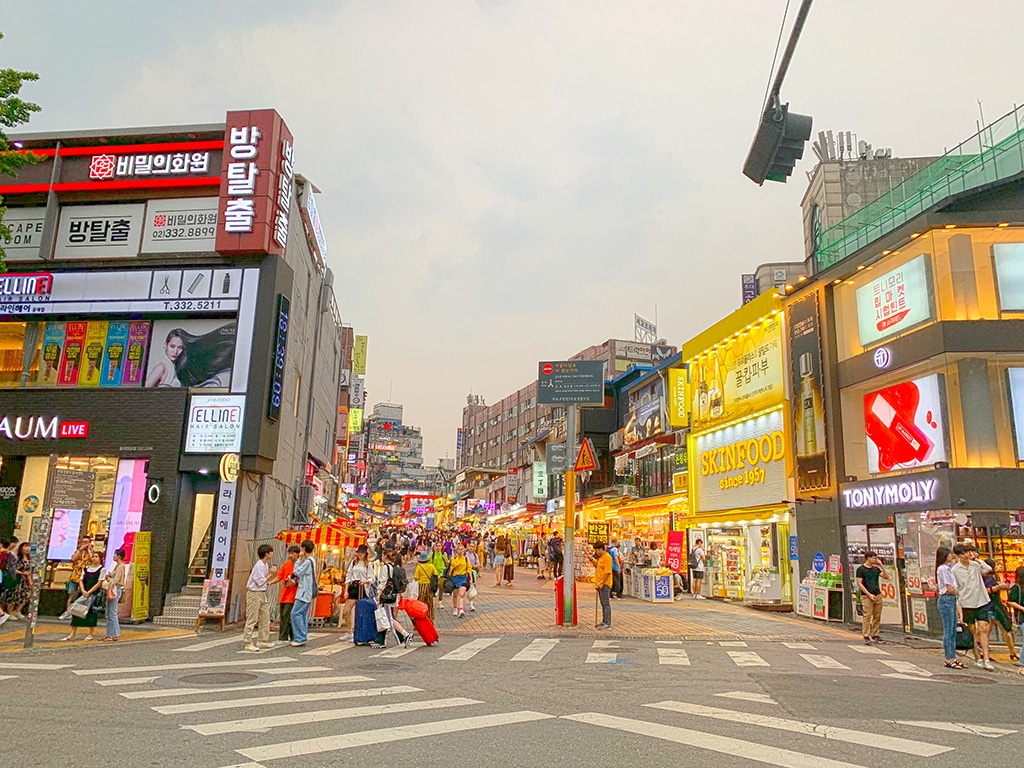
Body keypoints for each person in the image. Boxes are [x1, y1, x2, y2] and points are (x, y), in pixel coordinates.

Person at [951, 543, 995, 671]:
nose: (967, 554)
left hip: (981, 601)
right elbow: (956, 588)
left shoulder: (975, 565)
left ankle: (986, 658)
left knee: (983, 628)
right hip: (966, 603)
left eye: (968, 552)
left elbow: (987, 569)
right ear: (958, 555)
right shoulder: (955, 570)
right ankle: (977, 657)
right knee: (972, 631)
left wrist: (976, 559)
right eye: (964, 553)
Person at [62, 550, 106, 641]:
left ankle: (90, 634)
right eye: (93, 556)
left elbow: (99, 583)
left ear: (101, 559)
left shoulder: (102, 569)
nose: (94, 558)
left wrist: (89, 592)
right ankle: (72, 634)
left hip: (93, 594)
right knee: (76, 612)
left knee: (91, 613)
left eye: (96, 557)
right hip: (83, 592)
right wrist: (83, 590)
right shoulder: (86, 568)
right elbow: (81, 580)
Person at [371, 550, 410, 649]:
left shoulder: (385, 567)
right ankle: (383, 640)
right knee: (387, 617)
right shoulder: (395, 567)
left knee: (389, 618)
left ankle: (405, 635)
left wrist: (379, 596)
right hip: (394, 595)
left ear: (384, 556)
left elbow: (383, 583)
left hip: (386, 596)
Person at [935, 546, 966, 669]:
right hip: (946, 599)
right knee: (948, 631)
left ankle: (953, 657)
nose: (951, 556)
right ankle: (949, 658)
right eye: (949, 554)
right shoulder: (943, 568)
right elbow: (949, 588)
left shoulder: (949, 568)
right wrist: (957, 592)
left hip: (950, 600)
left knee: (953, 630)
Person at [983, 558, 1018, 661]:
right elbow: (989, 591)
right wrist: (999, 586)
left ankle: (983, 652)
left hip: (988, 606)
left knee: (986, 630)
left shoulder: (985, 578)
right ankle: (1012, 652)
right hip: (995, 607)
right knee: (1004, 628)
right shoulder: (990, 578)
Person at [243, 544, 274, 652]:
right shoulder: (259, 565)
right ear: (266, 554)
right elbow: (260, 581)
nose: (272, 554)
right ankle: (248, 642)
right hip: (254, 593)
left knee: (265, 617)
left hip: (261, 593)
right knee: (252, 618)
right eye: (270, 552)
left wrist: (269, 574)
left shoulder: (265, 564)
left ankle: (263, 640)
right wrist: (270, 574)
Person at [855, 551, 890, 645]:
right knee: (867, 615)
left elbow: (886, 577)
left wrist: (881, 565)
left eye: (876, 558)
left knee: (877, 616)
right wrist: (868, 594)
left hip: (877, 594)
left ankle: (875, 634)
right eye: (873, 557)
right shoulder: (860, 569)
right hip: (866, 596)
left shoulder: (876, 569)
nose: (875, 559)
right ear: (868, 558)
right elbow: (859, 583)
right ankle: (866, 635)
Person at [342, 544, 375, 640]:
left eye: (362, 552)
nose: (360, 554)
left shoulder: (368, 564)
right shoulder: (353, 562)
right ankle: (349, 631)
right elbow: (348, 576)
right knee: (346, 611)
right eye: (359, 552)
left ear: (365, 554)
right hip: (353, 586)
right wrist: (346, 590)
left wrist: (366, 581)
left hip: (362, 587)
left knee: (360, 612)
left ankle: (358, 633)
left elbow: (372, 578)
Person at [289, 540, 316, 648]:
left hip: (304, 592)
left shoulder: (308, 561)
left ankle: (300, 637)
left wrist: (298, 560)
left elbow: (297, 572)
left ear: (303, 549)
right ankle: (302, 636)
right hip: (306, 592)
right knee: (302, 614)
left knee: (295, 613)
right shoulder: (311, 560)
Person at [271, 545, 300, 643]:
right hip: (284, 595)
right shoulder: (286, 564)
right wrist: (270, 582)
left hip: (293, 596)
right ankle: (287, 637)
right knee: (283, 617)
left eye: (292, 553)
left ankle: (286, 637)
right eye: (289, 553)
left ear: (297, 554)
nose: (290, 555)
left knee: (287, 616)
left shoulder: (300, 566)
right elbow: (279, 577)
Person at [60, 537, 93, 620]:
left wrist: (89, 551)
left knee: (84, 596)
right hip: (75, 576)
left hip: (86, 577)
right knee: (72, 595)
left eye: (86, 542)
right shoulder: (78, 552)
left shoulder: (92, 552)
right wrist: (79, 550)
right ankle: (68, 612)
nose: (84, 544)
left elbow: (93, 560)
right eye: (83, 542)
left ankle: (80, 613)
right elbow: (73, 559)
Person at [101, 548, 127, 642]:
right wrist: (108, 576)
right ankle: (110, 634)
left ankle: (114, 634)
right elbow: (111, 575)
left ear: (119, 556)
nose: (113, 556)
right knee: (109, 612)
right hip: (114, 589)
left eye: (115, 554)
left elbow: (116, 579)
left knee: (112, 612)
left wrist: (109, 581)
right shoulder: (118, 566)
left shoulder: (121, 566)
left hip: (115, 589)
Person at [1005, 566, 1024, 678]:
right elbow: (1010, 602)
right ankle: (1022, 665)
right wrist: (1021, 608)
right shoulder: (1017, 588)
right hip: (1022, 617)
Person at [449, 544, 474, 618]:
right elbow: (454, 564)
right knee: (455, 595)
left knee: (462, 594)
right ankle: (455, 608)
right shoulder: (453, 558)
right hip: (455, 577)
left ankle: (461, 610)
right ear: (456, 550)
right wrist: (457, 558)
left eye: (461, 549)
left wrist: (470, 578)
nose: (460, 551)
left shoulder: (466, 559)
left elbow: (469, 568)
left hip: (463, 577)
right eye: (459, 549)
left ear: (464, 550)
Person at [8, 542, 32, 620]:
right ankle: (10, 612)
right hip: (17, 579)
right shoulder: (17, 558)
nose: (27, 549)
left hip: (25, 580)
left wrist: (30, 580)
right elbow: (12, 568)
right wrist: (22, 573)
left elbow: (29, 571)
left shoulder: (29, 559)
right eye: (25, 547)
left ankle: (17, 610)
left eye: (28, 547)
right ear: (21, 548)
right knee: (15, 596)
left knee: (25, 595)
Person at [594, 541, 613, 630]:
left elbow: (607, 572)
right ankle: (604, 620)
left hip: (605, 584)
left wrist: (602, 583)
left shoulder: (607, 557)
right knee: (603, 603)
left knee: (606, 603)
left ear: (601, 549)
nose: (596, 552)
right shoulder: (600, 558)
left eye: (597, 550)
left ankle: (607, 622)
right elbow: (598, 566)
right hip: (599, 583)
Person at [415, 551, 438, 623]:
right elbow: (435, 574)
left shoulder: (419, 567)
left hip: (421, 586)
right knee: (429, 603)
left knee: (421, 602)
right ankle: (430, 619)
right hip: (429, 586)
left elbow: (416, 577)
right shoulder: (431, 566)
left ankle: (420, 619)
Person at [429, 542, 448, 609]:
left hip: (441, 573)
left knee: (441, 588)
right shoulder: (432, 554)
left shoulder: (444, 554)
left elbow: (447, 563)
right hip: (434, 573)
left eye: (439, 546)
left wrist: (444, 558)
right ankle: (431, 602)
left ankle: (440, 602)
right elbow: (430, 564)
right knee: (433, 588)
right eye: (437, 546)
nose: (438, 547)